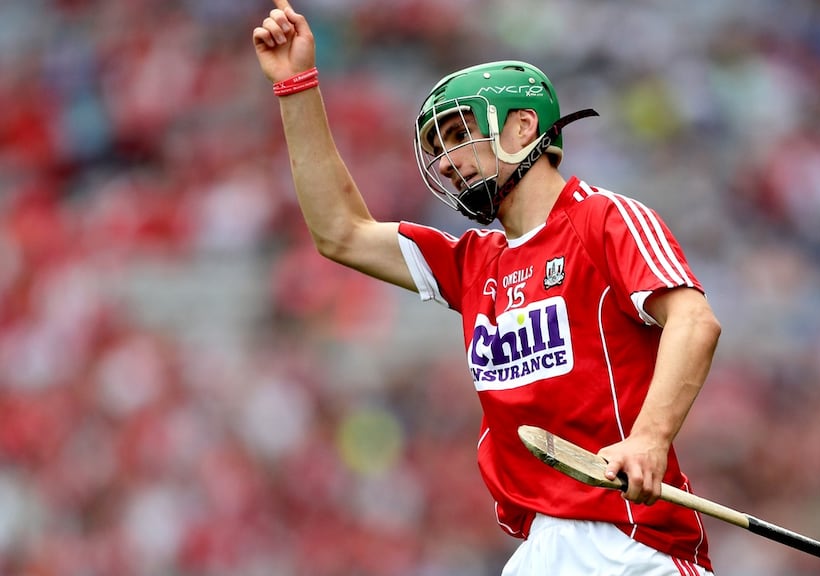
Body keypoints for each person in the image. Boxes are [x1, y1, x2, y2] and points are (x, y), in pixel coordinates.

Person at [253, 1, 722, 574]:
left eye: (459, 133)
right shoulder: (474, 263)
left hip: (629, 543)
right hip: (538, 549)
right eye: (436, 146)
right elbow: (341, 233)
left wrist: (649, 439)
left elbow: (695, 322)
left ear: (524, 127)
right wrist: (296, 85)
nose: (446, 162)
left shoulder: (603, 219)